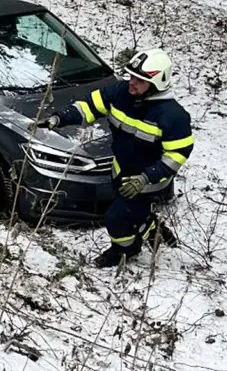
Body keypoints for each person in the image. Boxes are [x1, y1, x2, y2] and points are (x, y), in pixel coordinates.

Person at [38, 48, 193, 268]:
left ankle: (125, 249)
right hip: (120, 171)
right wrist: (59, 118)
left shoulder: (173, 116)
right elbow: (88, 107)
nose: (132, 82)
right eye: (131, 76)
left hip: (148, 182)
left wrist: (145, 179)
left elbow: (178, 154)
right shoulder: (120, 93)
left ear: (157, 83)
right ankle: (149, 226)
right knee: (130, 212)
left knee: (115, 218)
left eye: (139, 80)